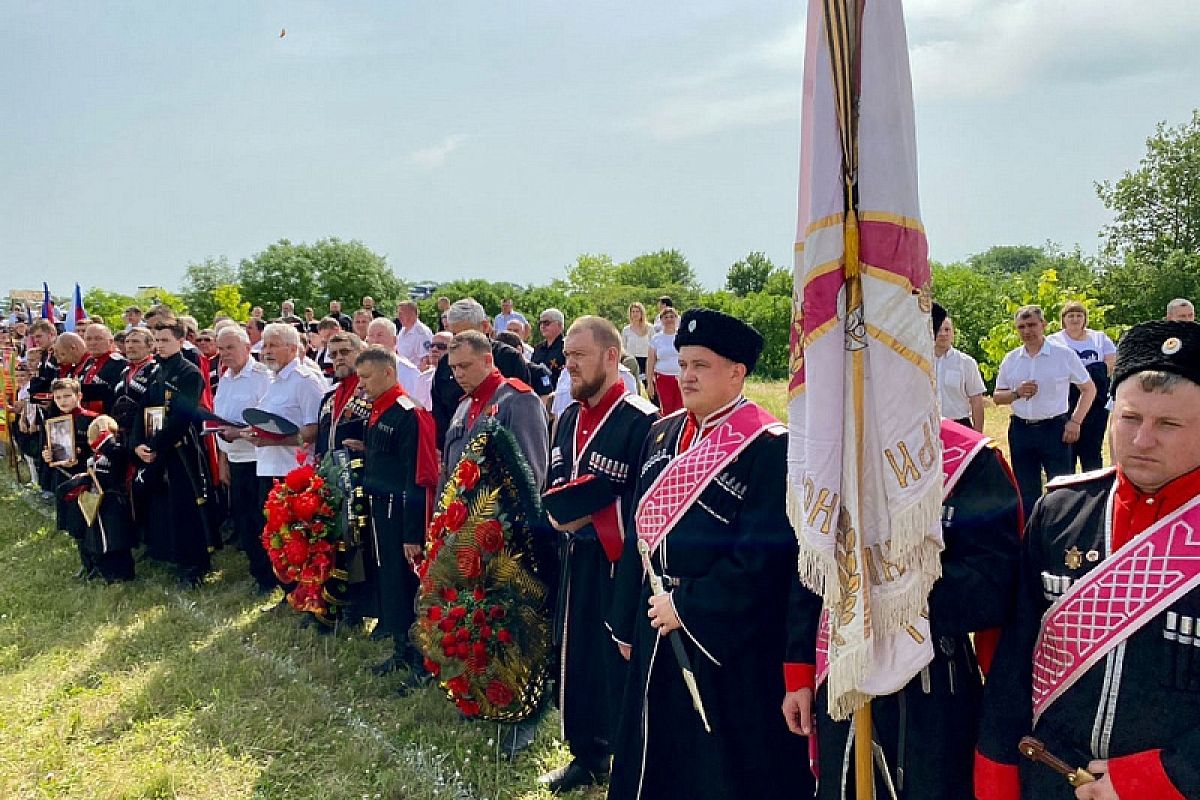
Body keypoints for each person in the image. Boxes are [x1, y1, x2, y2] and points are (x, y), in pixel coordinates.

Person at [976, 320, 1200, 800]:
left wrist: (1157, 779)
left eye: (1169, 424)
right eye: (1130, 418)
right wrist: (995, 772)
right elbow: (1013, 657)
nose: (1141, 441)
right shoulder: (1059, 510)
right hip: (1049, 780)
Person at [607, 308, 811, 800]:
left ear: (737, 372)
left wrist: (689, 608)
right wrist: (626, 619)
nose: (687, 375)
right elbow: (641, 534)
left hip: (724, 643)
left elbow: (765, 559)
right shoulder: (661, 433)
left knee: (714, 767)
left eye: (701, 365)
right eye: (683, 362)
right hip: (654, 623)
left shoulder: (769, 447)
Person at [783, 417, 1023, 799]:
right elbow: (809, 568)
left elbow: (994, 585)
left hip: (934, 680)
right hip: (841, 670)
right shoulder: (833, 451)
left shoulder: (973, 462)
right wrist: (799, 672)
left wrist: (893, 589)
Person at [538, 316, 657, 793]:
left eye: (578, 356)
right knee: (578, 658)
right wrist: (587, 499)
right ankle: (587, 755)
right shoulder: (566, 417)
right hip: (576, 559)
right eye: (566, 356)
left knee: (618, 663)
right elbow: (554, 496)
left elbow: (636, 495)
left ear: (612, 356)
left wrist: (586, 500)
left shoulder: (642, 419)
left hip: (619, 563)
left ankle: (628, 760)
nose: (569, 365)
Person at [353, 346, 438, 683]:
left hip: (400, 514)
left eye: (366, 377)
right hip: (379, 511)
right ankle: (401, 647)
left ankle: (420, 659)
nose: (361, 384)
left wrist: (412, 533)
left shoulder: (409, 414)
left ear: (388, 373)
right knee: (389, 580)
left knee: (406, 584)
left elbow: (419, 477)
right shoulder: (378, 411)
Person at [241, 323, 328, 594]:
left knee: (297, 537)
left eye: (272, 345)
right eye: (264, 345)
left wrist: (271, 439)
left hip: (294, 472)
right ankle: (287, 590)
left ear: (292, 348)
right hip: (267, 467)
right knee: (275, 536)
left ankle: (305, 593)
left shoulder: (304, 381)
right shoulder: (273, 381)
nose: (265, 351)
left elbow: (314, 430)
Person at [994, 305, 1096, 520]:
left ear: (1044, 325)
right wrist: (1016, 393)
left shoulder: (1063, 355)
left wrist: (1076, 422)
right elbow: (997, 397)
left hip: (1054, 429)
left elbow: (1089, 389)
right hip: (1021, 429)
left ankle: (1061, 533)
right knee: (1025, 489)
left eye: (1031, 325)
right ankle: (1031, 536)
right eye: (1021, 326)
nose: (1027, 331)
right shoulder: (1011, 359)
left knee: (1061, 488)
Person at [131, 320, 212, 586]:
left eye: (164, 340)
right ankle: (167, 552)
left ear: (180, 341)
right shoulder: (156, 371)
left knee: (186, 507)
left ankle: (194, 566)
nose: (159, 345)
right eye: (156, 340)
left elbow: (182, 417)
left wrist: (155, 446)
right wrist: (137, 443)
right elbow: (141, 409)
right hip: (155, 448)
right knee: (160, 504)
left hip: (180, 449)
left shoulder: (189, 372)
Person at [442, 330, 548, 490]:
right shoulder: (463, 407)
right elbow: (446, 476)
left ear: (487, 360)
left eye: (464, 366)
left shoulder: (519, 401)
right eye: (453, 367)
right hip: (459, 512)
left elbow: (530, 479)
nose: (458, 374)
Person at [211, 326, 272, 591]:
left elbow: (271, 421)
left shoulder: (262, 377)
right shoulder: (224, 377)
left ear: (248, 348)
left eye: (230, 347)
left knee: (262, 520)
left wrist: (240, 433)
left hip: (260, 459)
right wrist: (223, 460)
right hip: (235, 459)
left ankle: (272, 577)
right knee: (244, 521)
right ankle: (258, 573)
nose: (224, 354)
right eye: (221, 348)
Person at [429, 299, 530, 448]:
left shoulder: (509, 358)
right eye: (455, 334)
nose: (461, 340)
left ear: (484, 326)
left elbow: (522, 414)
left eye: (466, 333)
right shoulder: (445, 364)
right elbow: (439, 411)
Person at [60, 415, 137, 583]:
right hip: (97, 504)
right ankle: (102, 569)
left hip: (114, 502)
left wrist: (104, 432)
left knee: (116, 541)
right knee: (99, 540)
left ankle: (121, 574)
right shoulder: (93, 457)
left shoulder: (118, 451)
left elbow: (118, 458)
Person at [1049, 301, 1117, 472]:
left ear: (1085, 318)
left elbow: (1111, 363)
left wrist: (1090, 373)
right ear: (1063, 319)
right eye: (1070, 315)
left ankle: (1094, 490)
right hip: (1065, 400)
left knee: (1092, 450)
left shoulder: (1100, 338)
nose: (1075, 319)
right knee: (1066, 449)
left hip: (1096, 401)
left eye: (1079, 315)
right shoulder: (1054, 341)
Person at [42, 378, 95, 565]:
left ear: (78, 396)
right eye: (58, 398)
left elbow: (101, 451)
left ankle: (96, 560)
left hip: (86, 478)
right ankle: (84, 562)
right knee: (73, 522)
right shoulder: (52, 423)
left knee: (89, 520)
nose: (63, 401)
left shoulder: (92, 419)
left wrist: (82, 454)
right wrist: (47, 455)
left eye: (67, 396)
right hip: (63, 477)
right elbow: (46, 448)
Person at [932, 303, 986, 431]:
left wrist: (978, 435)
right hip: (928, 427)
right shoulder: (921, 362)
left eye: (947, 330)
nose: (943, 334)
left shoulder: (966, 363)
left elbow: (976, 401)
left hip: (959, 426)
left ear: (953, 333)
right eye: (938, 329)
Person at [364, 317, 429, 409]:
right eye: (371, 336)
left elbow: (415, 405)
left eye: (380, 335)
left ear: (394, 340)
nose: (375, 341)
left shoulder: (407, 370)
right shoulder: (362, 368)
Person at [79, 324, 126, 415]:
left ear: (111, 341)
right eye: (88, 339)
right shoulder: (88, 362)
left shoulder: (119, 363)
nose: (92, 343)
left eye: (98, 338)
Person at [646, 306, 682, 415]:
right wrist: (649, 383)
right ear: (661, 320)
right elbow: (651, 361)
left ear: (676, 319)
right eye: (666, 317)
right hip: (663, 378)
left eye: (672, 317)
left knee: (682, 409)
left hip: (681, 378)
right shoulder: (656, 339)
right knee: (667, 409)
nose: (669, 319)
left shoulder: (681, 337)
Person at [531, 308, 566, 393]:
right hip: (537, 393)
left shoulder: (567, 348)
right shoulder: (538, 348)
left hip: (558, 393)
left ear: (560, 325)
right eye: (541, 323)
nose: (543, 326)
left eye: (547, 323)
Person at [394, 300, 433, 367]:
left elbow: (426, 360)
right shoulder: (403, 330)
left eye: (401, 313)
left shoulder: (422, 333)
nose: (398, 317)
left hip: (414, 375)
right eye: (398, 314)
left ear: (412, 314)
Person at [621, 302, 652, 384]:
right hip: (632, 361)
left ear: (642, 313)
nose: (635, 314)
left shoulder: (650, 328)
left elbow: (654, 346)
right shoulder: (626, 330)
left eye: (637, 311)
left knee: (650, 388)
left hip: (647, 360)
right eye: (633, 312)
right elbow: (623, 347)